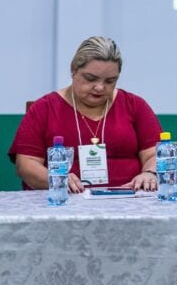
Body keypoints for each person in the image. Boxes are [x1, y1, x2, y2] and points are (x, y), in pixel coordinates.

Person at [9, 36, 162, 192]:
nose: (100, 87)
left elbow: (154, 154)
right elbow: (26, 164)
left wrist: (150, 173)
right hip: (64, 202)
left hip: (129, 201)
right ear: (74, 70)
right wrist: (56, 178)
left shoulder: (135, 105)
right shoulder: (44, 108)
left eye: (110, 81)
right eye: (91, 79)